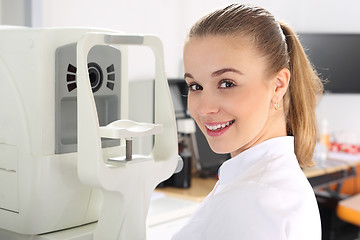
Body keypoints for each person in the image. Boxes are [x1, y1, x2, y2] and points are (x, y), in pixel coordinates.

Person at [172, 3, 323, 240]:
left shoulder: (256, 201)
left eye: (227, 83)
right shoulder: (257, 185)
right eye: (195, 86)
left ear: (278, 85)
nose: (204, 108)